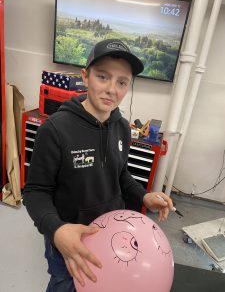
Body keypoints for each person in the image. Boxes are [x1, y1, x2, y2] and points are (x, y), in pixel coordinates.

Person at [23, 38, 173, 292]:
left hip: (111, 236)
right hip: (70, 239)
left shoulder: (122, 127)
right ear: (85, 76)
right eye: (103, 77)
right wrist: (57, 231)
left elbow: (120, 174)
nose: (112, 89)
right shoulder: (56, 129)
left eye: (122, 82)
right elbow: (35, 192)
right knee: (66, 284)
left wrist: (143, 196)